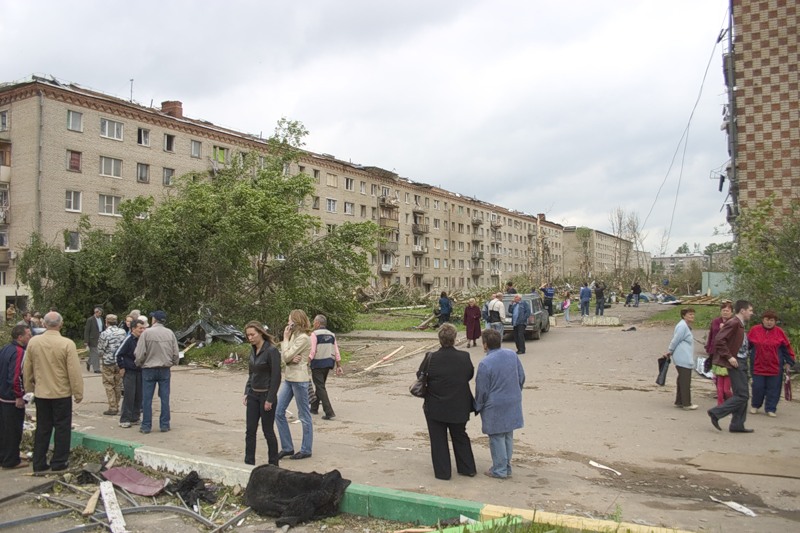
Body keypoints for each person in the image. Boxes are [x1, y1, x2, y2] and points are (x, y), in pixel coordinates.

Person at [23, 312, 84, 473]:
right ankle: (59, 461)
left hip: (42, 393)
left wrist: (28, 388)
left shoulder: (34, 342)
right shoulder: (67, 344)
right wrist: (78, 392)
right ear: (61, 324)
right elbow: (74, 371)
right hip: (61, 393)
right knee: (62, 428)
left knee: (43, 428)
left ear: (44, 324)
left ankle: (39, 462)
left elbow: (27, 368)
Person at [418, 323, 476, 480]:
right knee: (460, 435)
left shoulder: (431, 358)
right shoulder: (464, 357)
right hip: (459, 404)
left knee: (438, 439)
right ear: (455, 338)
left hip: (435, 406)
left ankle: (443, 472)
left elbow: (420, 375)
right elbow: (469, 375)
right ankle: (467, 468)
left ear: (439, 339)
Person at [474, 328, 525, 479]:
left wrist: (478, 406)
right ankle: (506, 466)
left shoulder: (485, 363)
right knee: (508, 434)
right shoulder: (511, 355)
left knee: (496, 437)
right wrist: (515, 391)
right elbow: (521, 376)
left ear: (485, 345)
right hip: (512, 399)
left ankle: (500, 469)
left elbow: (482, 390)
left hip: (495, 404)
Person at [708, 300, 755, 433]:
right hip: (736, 362)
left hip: (742, 361)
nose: (752, 313)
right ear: (742, 310)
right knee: (742, 395)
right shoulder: (734, 323)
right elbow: (719, 339)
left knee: (743, 394)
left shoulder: (739, 324)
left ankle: (737, 424)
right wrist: (729, 356)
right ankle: (716, 412)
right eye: (750, 310)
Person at [275, 309, 314, 460]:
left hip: (299, 379)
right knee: (278, 411)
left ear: (296, 321)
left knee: (304, 414)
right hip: (289, 377)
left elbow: (286, 355)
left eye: (289, 320)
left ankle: (306, 449)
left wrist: (285, 341)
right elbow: (285, 356)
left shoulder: (303, 338)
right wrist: (289, 356)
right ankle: (287, 447)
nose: (287, 322)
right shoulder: (293, 336)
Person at [243, 321, 282, 466]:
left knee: (268, 431)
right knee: (250, 430)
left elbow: (276, 376)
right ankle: (248, 463)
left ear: (260, 333)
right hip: (253, 395)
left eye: (252, 334)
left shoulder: (271, 351)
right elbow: (251, 373)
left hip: (266, 396)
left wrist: (270, 399)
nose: (250, 338)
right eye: (248, 335)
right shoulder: (252, 350)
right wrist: (247, 391)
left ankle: (273, 463)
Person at [134, 310, 179, 434]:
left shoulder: (146, 333)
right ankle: (164, 424)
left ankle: (146, 426)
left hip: (149, 369)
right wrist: (173, 362)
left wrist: (139, 363)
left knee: (147, 399)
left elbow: (139, 353)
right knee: (165, 398)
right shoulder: (169, 333)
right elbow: (176, 352)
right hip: (164, 369)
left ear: (154, 319)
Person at [748, 310, 795, 417]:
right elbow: (747, 345)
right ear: (762, 320)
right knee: (758, 387)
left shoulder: (779, 332)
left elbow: (787, 348)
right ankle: (755, 405)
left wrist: (789, 361)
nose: (769, 322)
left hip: (775, 366)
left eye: (772, 320)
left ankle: (770, 408)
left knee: (774, 388)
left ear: (775, 321)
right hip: (758, 365)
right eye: (767, 320)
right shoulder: (755, 330)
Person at [0, 324, 32, 469]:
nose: (30, 337)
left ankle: (4, 456)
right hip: (12, 397)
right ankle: (12, 460)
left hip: (3, 395)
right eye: (28, 335)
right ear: (20, 337)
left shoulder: (6, 348)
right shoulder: (19, 352)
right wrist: (19, 396)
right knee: (14, 430)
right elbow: (15, 376)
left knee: (4, 429)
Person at [309, 314, 343, 420]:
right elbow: (336, 350)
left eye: (314, 322)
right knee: (321, 385)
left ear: (318, 323)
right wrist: (338, 365)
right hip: (328, 363)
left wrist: (307, 361)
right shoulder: (331, 335)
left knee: (320, 387)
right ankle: (314, 408)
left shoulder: (314, 334)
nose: (313, 323)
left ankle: (329, 411)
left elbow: (312, 350)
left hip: (317, 363)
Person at [664, 308, 697, 410]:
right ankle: (686, 403)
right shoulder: (682, 326)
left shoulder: (684, 326)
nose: (692, 316)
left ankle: (679, 401)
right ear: (684, 316)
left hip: (683, 355)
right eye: (690, 314)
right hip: (683, 357)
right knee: (685, 380)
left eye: (693, 314)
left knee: (681, 379)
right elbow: (676, 339)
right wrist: (670, 350)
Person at [116, 319, 145, 428]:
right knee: (129, 395)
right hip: (130, 371)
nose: (142, 330)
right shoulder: (128, 340)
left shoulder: (142, 340)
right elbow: (118, 354)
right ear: (133, 329)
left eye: (143, 328)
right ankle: (124, 419)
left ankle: (135, 417)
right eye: (140, 328)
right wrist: (121, 367)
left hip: (140, 371)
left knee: (139, 395)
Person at [98, 314, 126, 416]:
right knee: (118, 383)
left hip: (108, 361)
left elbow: (100, 349)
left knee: (109, 384)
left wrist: (102, 356)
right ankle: (117, 405)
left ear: (106, 322)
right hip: (119, 361)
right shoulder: (122, 332)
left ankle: (112, 406)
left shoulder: (104, 334)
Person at [706, 301, 734, 405]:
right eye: (723, 310)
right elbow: (711, 335)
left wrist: (724, 329)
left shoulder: (733, 322)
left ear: (732, 312)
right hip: (715, 351)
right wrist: (709, 347)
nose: (725, 312)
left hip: (727, 353)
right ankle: (720, 397)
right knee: (716, 376)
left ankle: (729, 399)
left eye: (727, 310)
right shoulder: (715, 321)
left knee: (726, 377)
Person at [83, 307, 104, 373]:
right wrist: (86, 341)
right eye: (99, 313)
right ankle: (96, 369)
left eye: (101, 313)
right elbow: (87, 330)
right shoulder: (90, 320)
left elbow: (103, 328)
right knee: (96, 353)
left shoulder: (101, 319)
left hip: (100, 337)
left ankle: (89, 362)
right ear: (96, 312)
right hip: (92, 339)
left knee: (97, 353)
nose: (100, 314)